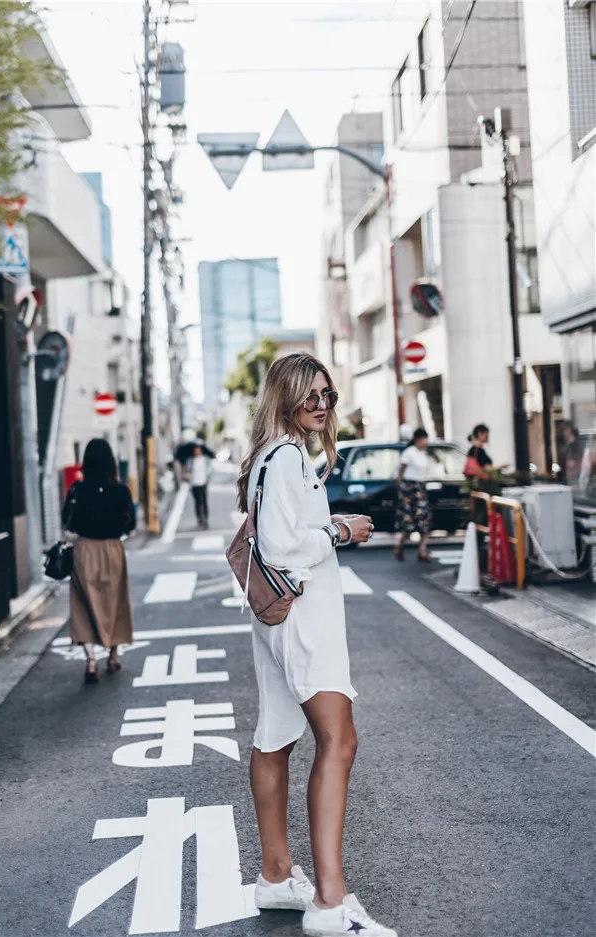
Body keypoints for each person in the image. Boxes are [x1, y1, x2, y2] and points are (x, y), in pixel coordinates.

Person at [235, 353, 396, 937]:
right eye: (310, 395)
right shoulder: (286, 457)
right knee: (339, 740)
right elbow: (283, 546)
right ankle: (330, 902)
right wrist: (340, 529)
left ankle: (276, 876)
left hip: (277, 618)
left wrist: (328, 526)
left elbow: (275, 535)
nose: (321, 405)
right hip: (304, 619)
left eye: (328, 395)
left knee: (275, 738)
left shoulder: (269, 455)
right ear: (285, 397)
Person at [62, 438, 135, 684]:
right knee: (115, 602)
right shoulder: (121, 491)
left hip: (84, 549)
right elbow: (130, 523)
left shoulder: (78, 490)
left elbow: (68, 521)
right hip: (113, 549)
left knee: (83, 603)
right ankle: (113, 656)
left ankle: (91, 659)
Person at [394, 427, 432, 563]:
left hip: (420, 489)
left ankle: (422, 550)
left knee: (424, 520)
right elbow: (401, 471)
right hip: (409, 490)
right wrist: (402, 489)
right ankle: (400, 545)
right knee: (408, 523)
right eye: (424, 439)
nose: (426, 442)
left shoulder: (423, 454)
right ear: (417, 439)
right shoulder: (409, 452)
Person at [184, 443, 212, 529]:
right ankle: (200, 520)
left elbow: (210, 470)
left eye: (198, 449)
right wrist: (187, 473)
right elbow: (187, 472)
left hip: (203, 483)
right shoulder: (190, 460)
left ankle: (205, 520)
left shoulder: (205, 459)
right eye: (196, 450)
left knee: (204, 501)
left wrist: (208, 478)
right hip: (194, 484)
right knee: (197, 502)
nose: (197, 451)